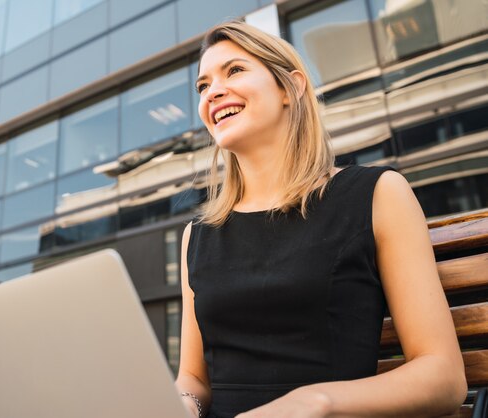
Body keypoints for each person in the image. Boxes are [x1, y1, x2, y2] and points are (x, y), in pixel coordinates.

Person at [174, 21, 467, 418]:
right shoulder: (198, 235)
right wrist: (181, 405)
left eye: (235, 70)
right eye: (202, 86)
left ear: (290, 88)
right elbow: (194, 377)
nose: (213, 91)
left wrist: (315, 403)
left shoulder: (378, 194)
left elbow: (445, 378)